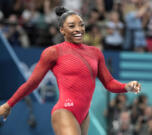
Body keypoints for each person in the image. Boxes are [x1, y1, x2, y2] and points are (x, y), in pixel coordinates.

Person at [0, 6, 141, 135]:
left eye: (81, 25)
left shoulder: (96, 52)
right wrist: (9, 104)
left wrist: (126, 86)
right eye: (72, 26)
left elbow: (109, 82)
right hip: (64, 111)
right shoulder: (54, 52)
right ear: (62, 30)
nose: (78, 29)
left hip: (84, 115)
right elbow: (32, 83)